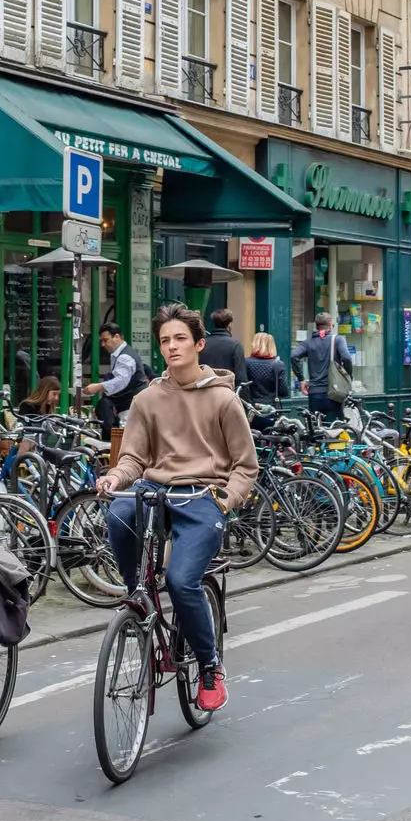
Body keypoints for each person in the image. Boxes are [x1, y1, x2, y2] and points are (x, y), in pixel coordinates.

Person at [95, 303, 256, 713]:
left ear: (200, 344)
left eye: (180, 338)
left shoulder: (223, 400)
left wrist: (225, 500)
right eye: (165, 340)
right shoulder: (149, 399)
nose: (171, 347)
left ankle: (209, 667)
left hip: (203, 495)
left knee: (183, 581)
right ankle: (137, 594)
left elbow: (245, 466)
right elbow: (132, 458)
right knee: (118, 512)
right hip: (156, 489)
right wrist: (116, 478)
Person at [290, 312, 355, 420]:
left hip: (314, 393)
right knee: (334, 429)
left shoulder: (308, 342)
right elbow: (347, 358)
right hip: (334, 392)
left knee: (317, 429)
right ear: (331, 325)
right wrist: (348, 376)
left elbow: (294, 356)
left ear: (316, 326)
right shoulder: (338, 340)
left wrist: (301, 379)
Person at [82, 322, 143, 433]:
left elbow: (121, 381)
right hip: (130, 406)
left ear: (117, 337)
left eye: (105, 340)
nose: (103, 344)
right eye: (101, 341)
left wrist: (98, 387)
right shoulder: (120, 354)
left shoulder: (124, 357)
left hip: (130, 408)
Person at [200, 308, 249, 388]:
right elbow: (240, 377)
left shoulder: (203, 344)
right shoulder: (236, 346)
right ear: (229, 324)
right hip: (227, 392)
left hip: (205, 390)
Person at [242, 332, 291, 404]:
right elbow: (284, 392)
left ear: (255, 344)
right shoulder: (278, 364)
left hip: (251, 406)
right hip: (270, 407)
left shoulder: (246, 362)